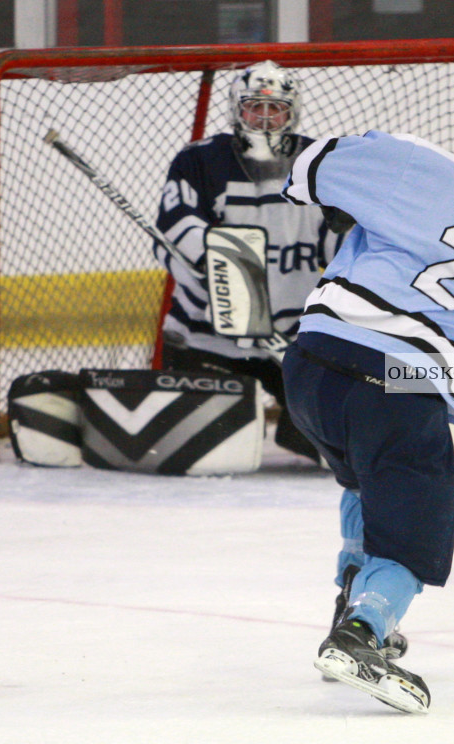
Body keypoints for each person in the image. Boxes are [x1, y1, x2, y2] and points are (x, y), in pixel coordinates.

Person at [279, 109, 454, 713]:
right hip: (399, 381)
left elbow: (307, 168)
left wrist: (346, 206)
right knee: (419, 514)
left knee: (363, 478)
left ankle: (350, 599)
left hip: (310, 365)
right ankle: (362, 633)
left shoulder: (413, 162)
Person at [153, 60, 345, 464]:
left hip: (292, 344)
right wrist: (224, 282)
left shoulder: (319, 163)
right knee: (211, 449)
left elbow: (342, 246)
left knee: (334, 446)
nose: (264, 118)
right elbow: (173, 232)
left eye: (275, 109)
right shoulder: (199, 161)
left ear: (292, 112)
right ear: (236, 110)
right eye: (253, 107)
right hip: (206, 339)